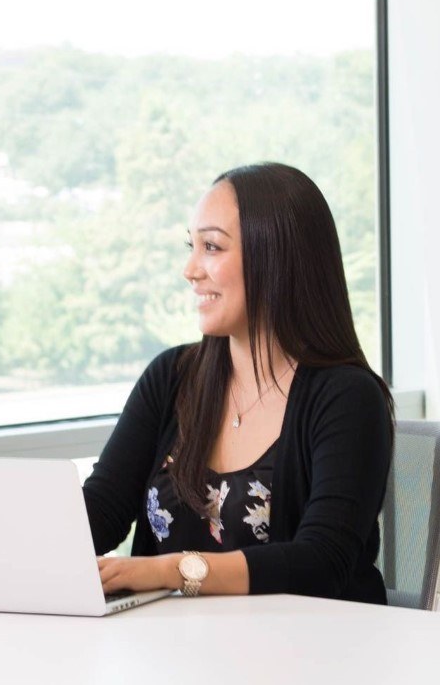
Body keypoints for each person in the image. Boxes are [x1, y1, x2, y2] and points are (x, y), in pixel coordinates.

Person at [85, 162, 394, 603]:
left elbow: (322, 561)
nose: (190, 270)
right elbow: (101, 512)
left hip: (313, 660)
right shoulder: (171, 378)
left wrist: (173, 570)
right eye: (191, 247)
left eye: (211, 247)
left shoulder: (347, 398)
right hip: (181, 658)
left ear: (277, 257)